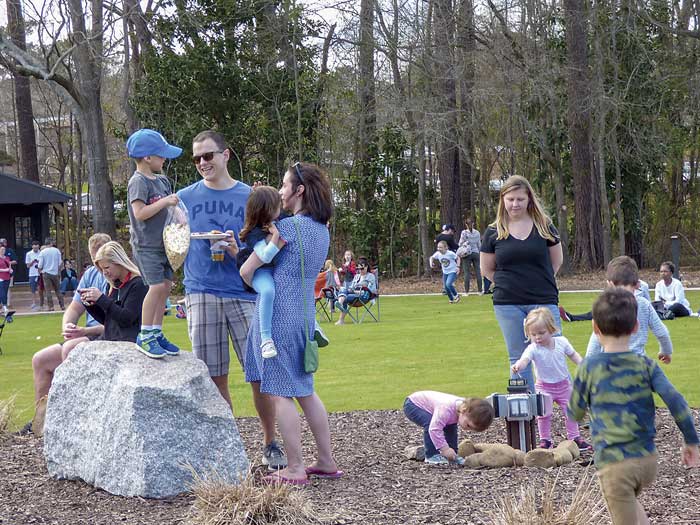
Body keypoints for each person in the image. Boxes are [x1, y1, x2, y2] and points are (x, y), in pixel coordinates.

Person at [177, 130, 284, 471]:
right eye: (196, 159)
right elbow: (169, 238)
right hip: (201, 291)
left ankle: (270, 442)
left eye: (208, 155)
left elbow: (271, 242)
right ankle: (229, 444)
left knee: (259, 373)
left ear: (226, 155)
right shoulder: (183, 198)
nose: (202, 163)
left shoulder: (250, 197)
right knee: (214, 376)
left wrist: (240, 250)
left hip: (243, 293)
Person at [244, 161, 340, 485]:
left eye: (284, 186)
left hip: (277, 318)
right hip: (304, 318)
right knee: (307, 392)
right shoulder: (322, 231)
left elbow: (247, 271)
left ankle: (296, 468)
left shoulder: (285, 230)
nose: (281, 191)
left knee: (280, 394)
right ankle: (326, 461)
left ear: (299, 190)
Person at [569, 288, 699, 525]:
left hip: (614, 464)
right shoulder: (646, 365)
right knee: (632, 509)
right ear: (636, 328)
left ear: (595, 327)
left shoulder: (588, 368)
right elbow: (676, 400)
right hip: (647, 461)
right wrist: (691, 440)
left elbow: (575, 412)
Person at [29, 239, 145, 436]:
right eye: (101, 269)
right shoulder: (115, 284)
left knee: (71, 348)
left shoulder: (138, 285)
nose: (104, 273)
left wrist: (102, 299)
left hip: (122, 343)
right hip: (108, 338)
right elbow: (110, 320)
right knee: (40, 359)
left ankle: (71, 415)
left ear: (119, 262)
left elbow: (127, 320)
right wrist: (92, 304)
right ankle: (41, 421)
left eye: (107, 268)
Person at [480, 175, 563, 394]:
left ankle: (560, 402)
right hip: (508, 303)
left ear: (529, 200)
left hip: (544, 300)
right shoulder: (493, 231)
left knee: (552, 351)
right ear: (503, 201)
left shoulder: (545, 226)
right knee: (518, 356)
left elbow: (556, 262)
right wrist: (509, 284)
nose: (515, 204)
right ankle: (524, 410)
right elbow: (487, 269)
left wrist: (537, 281)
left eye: (519, 199)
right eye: (510, 199)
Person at [126, 128, 183, 358]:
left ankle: (157, 332)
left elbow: (172, 209)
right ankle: (145, 334)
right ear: (147, 157)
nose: (164, 159)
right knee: (156, 287)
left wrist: (178, 215)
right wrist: (165, 203)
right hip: (146, 245)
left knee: (166, 288)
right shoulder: (138, 181)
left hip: (165, 244)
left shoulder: (162, 181)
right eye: (161, 155)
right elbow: (139, 213)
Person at [511, 308, 589, 451]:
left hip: (564, 385)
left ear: (551, 329)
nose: (538, 337)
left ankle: (575, 437)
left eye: (541, 333)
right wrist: (518, 366)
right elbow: (524, 360)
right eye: (533, 334)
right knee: (544, 414)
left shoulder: (562, 342)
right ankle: (545, 439)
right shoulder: (533, 348)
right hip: (544, 387)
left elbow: (573, 355)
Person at [586, 256, 672, 364]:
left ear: (610, 284)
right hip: (639, 365)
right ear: (637, 284)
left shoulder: (607, 306)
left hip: (611, 367)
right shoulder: (644, 305)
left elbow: (596, 340)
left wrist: (588, 366)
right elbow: (662, 333)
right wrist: (666, 351)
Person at [237, 186, 287, 359]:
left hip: (275, 269)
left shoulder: (280, 219)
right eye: (277, 206)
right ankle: (266, 339)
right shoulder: (254, 233)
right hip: (261, 272)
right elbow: (265, 256)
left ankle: (314, 325)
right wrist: (275, 237)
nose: (280, 209)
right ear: (267, 210)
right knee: (267, 291)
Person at [403, 391, 494, 465]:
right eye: (468, 425)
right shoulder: (445, 409)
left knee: (450, 427)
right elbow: (434, 429)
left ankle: (452, 455)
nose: (467, 429)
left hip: (427, 406)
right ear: (464, 410)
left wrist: (451, 453)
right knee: (431, 424)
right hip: (413, 404)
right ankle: (431, 455)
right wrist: (444, 449)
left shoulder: (461, 410)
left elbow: (451, 432)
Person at [334, 257, 377, 325]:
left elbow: (371, 290)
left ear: (366, 267)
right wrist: (350, 290)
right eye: (358, 269)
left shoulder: (371, 276)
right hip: (354, 294)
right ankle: (340, 304)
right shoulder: (357, 276)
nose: (360, 270)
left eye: (362, 268)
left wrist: (357, 291)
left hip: (363, 296)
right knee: (343, 289)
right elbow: (351, 287)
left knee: (344, 295)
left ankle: (340, 310)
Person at [457, 217, 482, 294]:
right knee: (478, 271)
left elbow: (460, 243)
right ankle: (480, 291)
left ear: (466, 224)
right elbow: (479, 244)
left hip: (467, 253)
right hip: (476, 252)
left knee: (467, 272)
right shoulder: (477, 232)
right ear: (473, 223)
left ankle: (466, 291)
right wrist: (479, 252)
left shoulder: (464, 232)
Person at [38, 237, 64, 311]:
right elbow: (60, 262)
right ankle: (62, 305)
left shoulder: (43, 252)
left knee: (48, 291)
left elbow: (40, 264)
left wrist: (39, 270)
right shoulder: (56, 251)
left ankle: (51, 306)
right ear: (51, 243)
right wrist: (58, 270)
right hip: (55, 272)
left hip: (46, 273)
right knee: (58, 290)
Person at [0, 238, 17, 307]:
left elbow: (15, 261)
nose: (2, 244)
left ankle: (8, 303)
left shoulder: (10, 251)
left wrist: (7, 264)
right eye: (1, 242)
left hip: (8, 274)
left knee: (8, 288)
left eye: (3, 242)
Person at [25, 240, 42, 310]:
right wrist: (33, 262)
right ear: (32, 246)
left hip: (40, 273)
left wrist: (38, 262)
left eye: (37, 247)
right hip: (32, 274)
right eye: (34, 247)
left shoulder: (41, 253)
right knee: (33, 289)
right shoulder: (29, 254)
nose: (35, 248)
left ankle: (41, 302)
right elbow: (27, 266)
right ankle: (34, 302)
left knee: (40, 289)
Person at [0, 245, 12, 315]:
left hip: (7, 277)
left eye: (4, 249)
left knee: (5, 291)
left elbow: (9, 266)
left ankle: (3, 307)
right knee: (2, 292)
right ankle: (4, 306)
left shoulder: (7, 258)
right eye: (1, 249)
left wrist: (10, 270)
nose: (3, 251)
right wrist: (5, 270)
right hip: (0, 277)